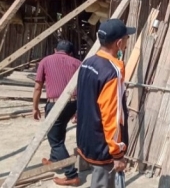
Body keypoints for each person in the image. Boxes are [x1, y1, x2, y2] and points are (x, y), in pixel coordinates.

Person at [76, 19, 135, 188]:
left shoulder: (88, 63)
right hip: (103, 145)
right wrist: (117, 153)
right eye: (126, 39)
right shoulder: (111, 72)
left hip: (86, 138)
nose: (126, 42)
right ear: (119, 43)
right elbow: (111, 116)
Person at [33, 40, 81, 186]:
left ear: (55, 50)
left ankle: (71, 175)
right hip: (74, 103)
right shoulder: (77, 63)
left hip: (55, 104)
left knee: (55, 140)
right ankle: (55, 160)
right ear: (71, 53)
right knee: (58, 131)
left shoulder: (45, 61)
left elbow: (38, 87)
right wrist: (79, 110)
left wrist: (35, 107)